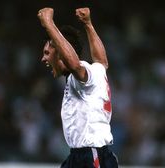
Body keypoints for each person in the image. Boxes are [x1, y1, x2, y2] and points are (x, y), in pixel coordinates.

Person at [37, 7, 118, 168]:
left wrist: (49, 24)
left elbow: (74, 64)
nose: (43, 58)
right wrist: (88, 24)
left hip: (91, 155)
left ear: (60, 53)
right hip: (79, 156)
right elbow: (102, 61)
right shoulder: (96, 70)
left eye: (47, 52)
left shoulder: (81, 74)